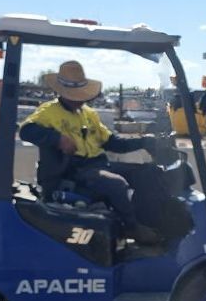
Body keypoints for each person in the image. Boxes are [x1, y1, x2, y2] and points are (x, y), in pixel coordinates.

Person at [19, 60, 160, 244]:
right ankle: (131, 228)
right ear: (62, 92)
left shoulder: (88, 114)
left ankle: (150, 221)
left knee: (149, 173)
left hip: (98, 165)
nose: (80, 99)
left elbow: (113, 143)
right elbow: (26, 131)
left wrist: (145, 142)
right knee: (116, 184)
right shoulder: (48, 112)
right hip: (73, 171)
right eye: (74, 95)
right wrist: (57, 139)